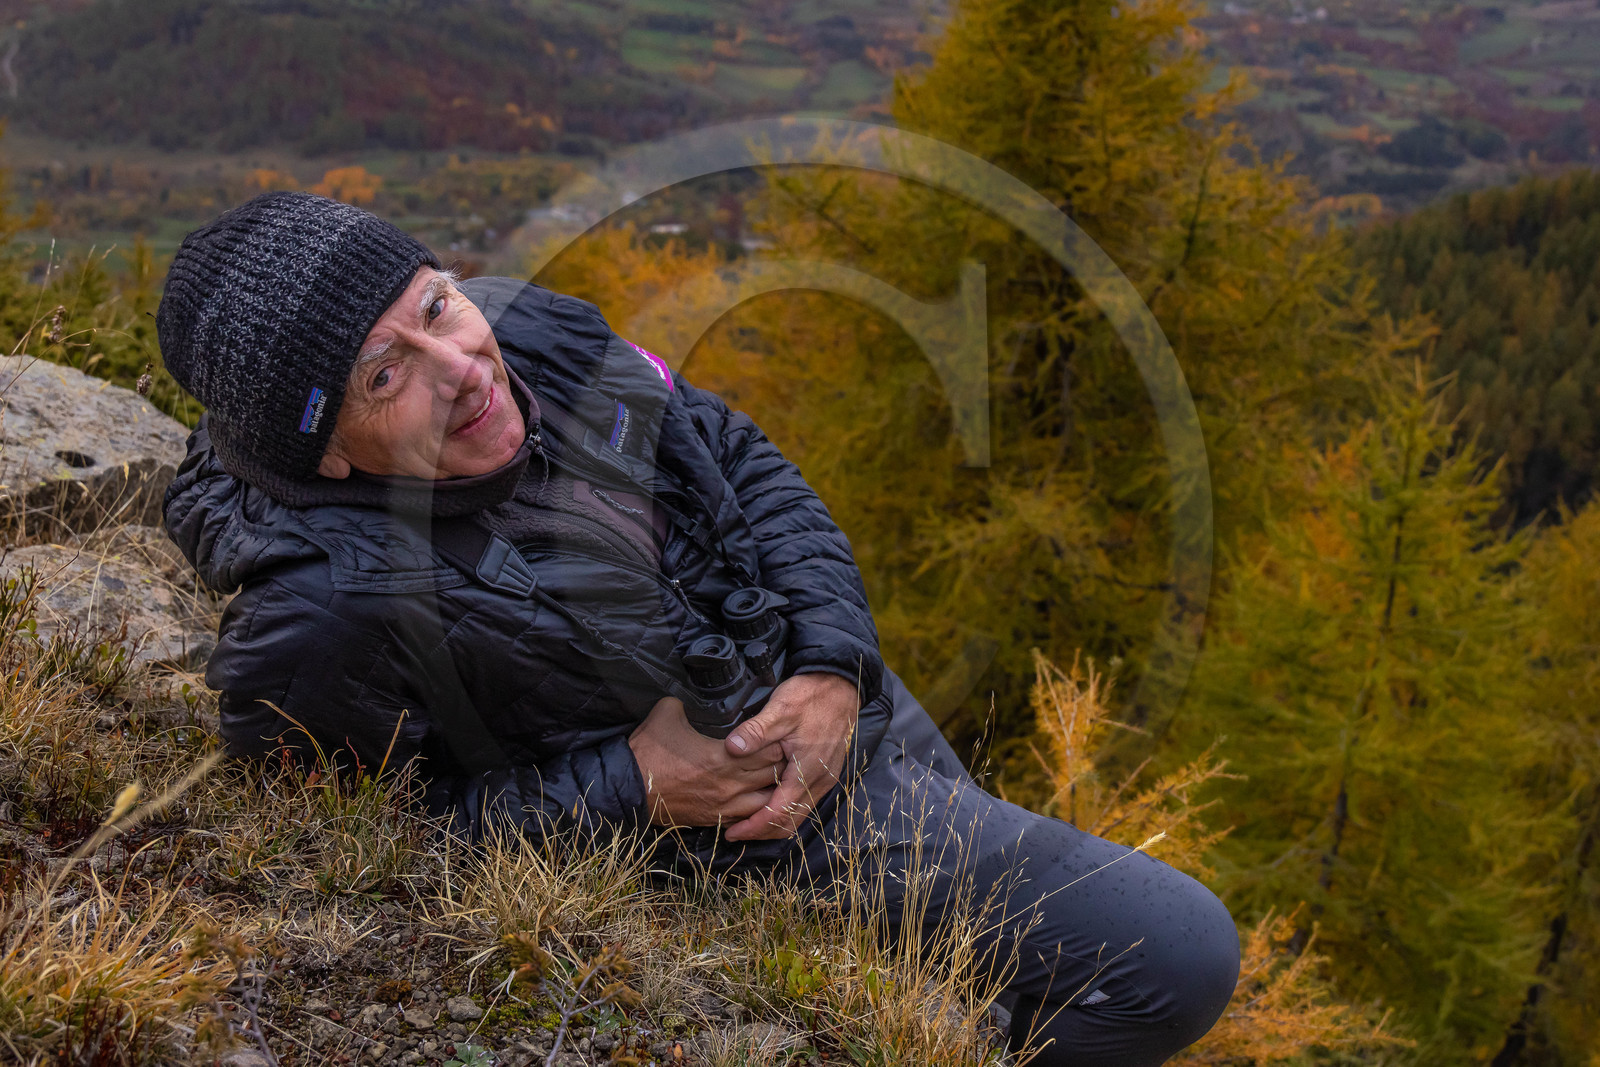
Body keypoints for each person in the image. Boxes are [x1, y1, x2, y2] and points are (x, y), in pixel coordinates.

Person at [158, 192, 1239, 1066]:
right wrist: (633, 783)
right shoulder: (320, 613)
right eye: (385, 376)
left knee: (993, 974)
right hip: (744, 830)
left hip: (823, 692)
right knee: (1178, 959)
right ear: (326, 454)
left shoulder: (530, 330)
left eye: (435, 306)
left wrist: (832, 660)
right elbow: (353, 854)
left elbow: (733, 453)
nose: (463, 368)